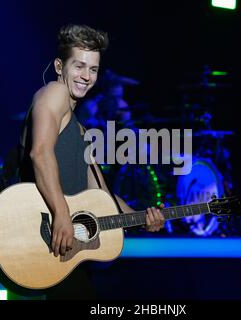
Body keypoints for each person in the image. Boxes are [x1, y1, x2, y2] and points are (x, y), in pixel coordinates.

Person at [17, 24, 165, 299]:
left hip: (67, 250)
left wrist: (141, 217)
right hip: (49, 233)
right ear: (59, 66)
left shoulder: (80, 130)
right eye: (79, 66)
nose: (86, 76)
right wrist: (61, 212)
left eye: (93, 69)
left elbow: (99, 196)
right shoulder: (54, 92)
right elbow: (40, 153)